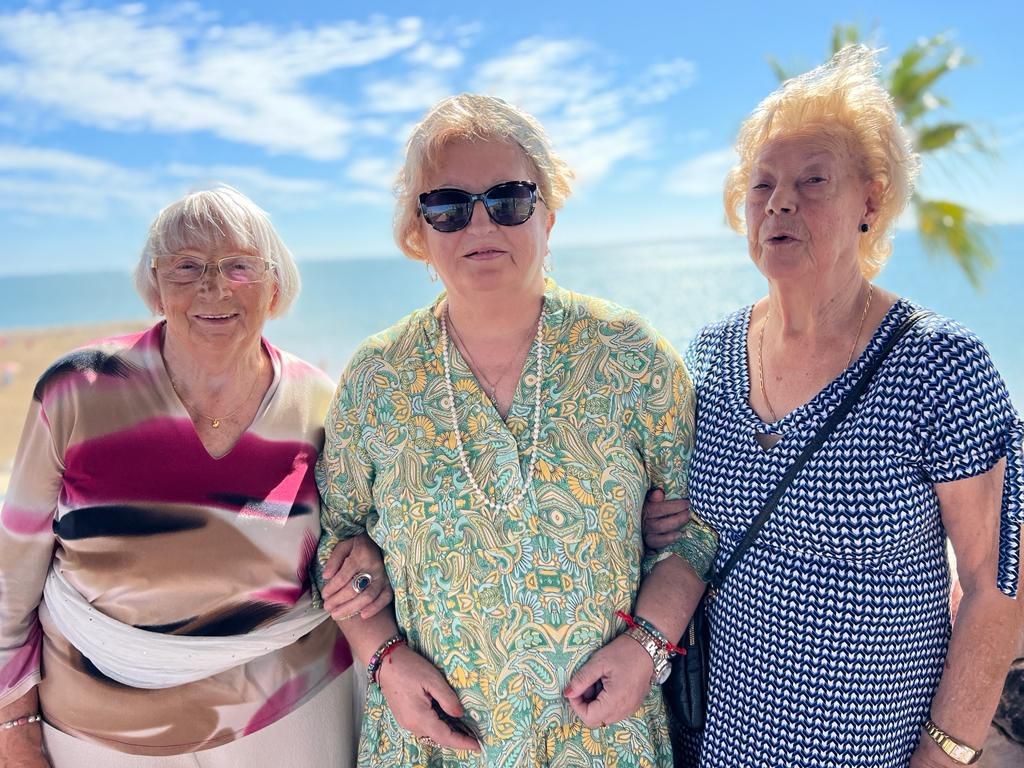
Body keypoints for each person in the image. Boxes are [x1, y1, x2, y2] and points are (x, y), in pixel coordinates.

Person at [644, 46, 1023, 768]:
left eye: (813, 180)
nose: (780, 202)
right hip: (711, 745)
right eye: (762, 184)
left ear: (870, 203)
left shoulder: (940, 363)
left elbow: (996, 583)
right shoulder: (710, 354)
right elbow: (692, 525)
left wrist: (946, 754)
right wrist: (656, 520)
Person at [314, 93, 718, 767]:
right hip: (432, 739)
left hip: (600, 739)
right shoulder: (376, 378)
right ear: (418, 232)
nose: (480, 223)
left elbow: (698, 526)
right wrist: (383, 657)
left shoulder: (630, 357)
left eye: (508, 199)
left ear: (548, 215)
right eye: (448, 206)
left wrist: (648, 645)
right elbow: (339, 537)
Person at [0, 186, 389, 767]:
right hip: (95, 732)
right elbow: (11, 575)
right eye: (186, 266)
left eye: (239, 266)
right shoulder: (76, 392)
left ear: (274, 286)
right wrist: (13, 722)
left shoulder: (319, 403)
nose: (214, 287)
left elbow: (352, 533)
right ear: (155, 286)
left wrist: (367, 561)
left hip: (289, 713)